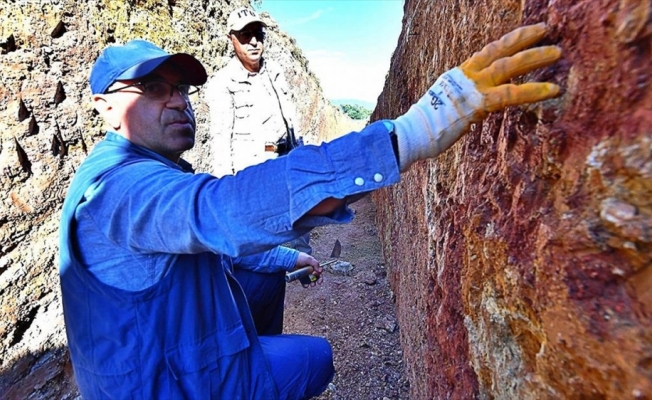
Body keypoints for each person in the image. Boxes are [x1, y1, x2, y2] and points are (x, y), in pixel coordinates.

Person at [58, 22, 562, 399]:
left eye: (181, 89)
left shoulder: (136, 170)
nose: (178, 102)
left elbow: (207, 243)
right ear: (105, 105)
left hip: (165, 353)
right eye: (153, 89)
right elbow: (219, 212)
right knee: (316, 357)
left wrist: (288, 259)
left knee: (261, 278)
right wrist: (413, 133)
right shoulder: (116, 191)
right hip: (160, 384)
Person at [205, 7, 312, 254]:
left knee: (299, 224)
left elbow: (290, 118)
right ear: (231, 38)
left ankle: (301, 269)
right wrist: (226, 189)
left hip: (288, 160)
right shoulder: (223, 83)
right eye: (245, 35)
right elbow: (220, 139)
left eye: (258, 34)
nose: (253, 41)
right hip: (255, 171)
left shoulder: (274, 72)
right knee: (264, 239)